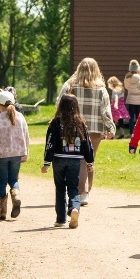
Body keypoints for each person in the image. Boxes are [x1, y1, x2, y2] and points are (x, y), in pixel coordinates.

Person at [60, 58, 116, 207]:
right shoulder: (101, 89)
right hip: (95, 129)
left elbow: (60, 103)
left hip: (73, 127)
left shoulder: (70, 85)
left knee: (75, 158)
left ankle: (77, 191)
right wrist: (111, 127)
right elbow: (105, 111)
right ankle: (85, 193)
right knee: (88, 159)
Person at [42, 95, 95, 229]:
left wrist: (47, 162)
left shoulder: (55, 123)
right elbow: (87, 144)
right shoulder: (80, 123)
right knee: (73, 187)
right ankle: (74, 208)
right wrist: (89, 162)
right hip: (75, 160)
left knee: (60, 188)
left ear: (60, 105)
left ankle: (60, 219)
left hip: (58, 159)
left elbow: (50, 143)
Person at [0, 90, 28, 219]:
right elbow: (26, 135)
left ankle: (2, 212)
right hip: (17, 153)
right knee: (13, 179)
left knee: (2, 180)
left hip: (2, 153)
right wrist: (25, 152)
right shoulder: (20, 117)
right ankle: (16, 195)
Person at [123, 60, 140, 135]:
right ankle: (139, 132)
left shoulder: (127, 78)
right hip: (139, 100)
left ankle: (131, 132)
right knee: (139, 118)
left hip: (130, 99)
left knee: (131, 117)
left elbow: (126, 87)